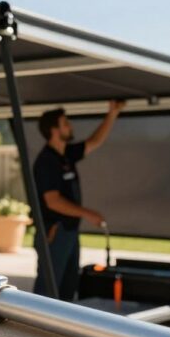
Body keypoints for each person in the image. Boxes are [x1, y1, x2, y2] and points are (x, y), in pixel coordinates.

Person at [33, 100, 126, 301]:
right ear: (54, 130)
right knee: (47, 289)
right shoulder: (46, 161)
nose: (70, 126)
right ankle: (32, 329)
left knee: (68, 287)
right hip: (55, 232)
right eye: (65, 123)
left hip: (69, 231)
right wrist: (87, 213)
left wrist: (112, 113)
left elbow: (95, 142)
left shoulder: (66, 155)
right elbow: (53, 201)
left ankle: (61, 330)